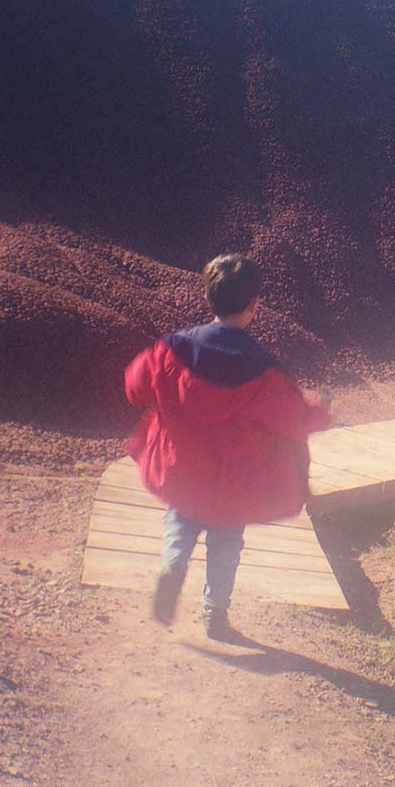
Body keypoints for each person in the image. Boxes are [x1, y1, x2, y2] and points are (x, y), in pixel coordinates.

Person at [124, 253, 332, 640]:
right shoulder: (265, 370)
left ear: (209, 297)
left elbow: (134, 388)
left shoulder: (172, 348)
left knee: (180, 520)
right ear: (253, 305)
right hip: (235, 480)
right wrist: (323, 411)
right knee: (226, 542)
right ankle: (214, 614)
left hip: (183, 469)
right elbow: (295, 420)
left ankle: (172, 565)